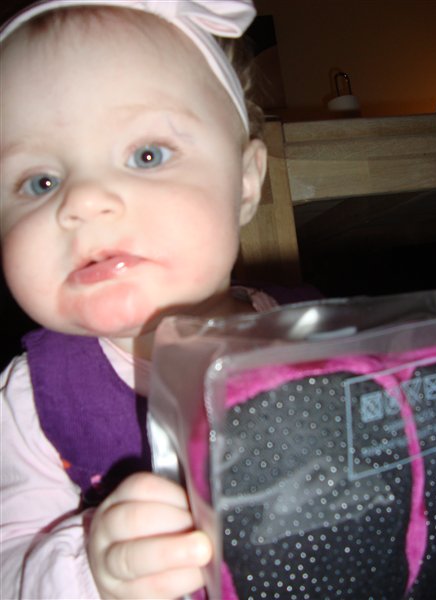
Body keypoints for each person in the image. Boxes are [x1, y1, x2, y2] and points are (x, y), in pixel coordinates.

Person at [0, 1, 270, 598]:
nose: (84, 201)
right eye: (40, 182)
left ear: (246, 184)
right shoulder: (30, 403)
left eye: (147, 155)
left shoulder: (317, 339)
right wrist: (92, 574)